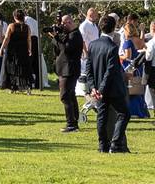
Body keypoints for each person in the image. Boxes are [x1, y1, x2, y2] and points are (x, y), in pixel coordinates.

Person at [87, 15, 130, 153]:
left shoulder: (93, 45)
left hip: (98, 87)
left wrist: (93, 87)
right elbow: (110, 71)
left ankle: (102, 145)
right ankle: (116, 143)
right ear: (113, 28)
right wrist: (100, 89)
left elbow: (89, 68)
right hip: (112, 88)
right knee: (124, 113)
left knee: (102, 116)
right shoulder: (112, 47)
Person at [51, 14, 83, 132]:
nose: (62, 26)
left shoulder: (75, 35)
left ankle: (71, 123)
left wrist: (57, 38)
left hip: (69, 70)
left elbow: (66, 49)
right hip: (65, 69)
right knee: (70, 95)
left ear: (69, 22)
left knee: (65, 96)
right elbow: (58, 49)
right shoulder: (69, 35)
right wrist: (56, 37)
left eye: (64, 24)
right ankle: (74, 121)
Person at [119, 21, 149, 119]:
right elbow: (144, 47)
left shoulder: (128, 42)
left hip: (129, 67)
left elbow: (128, 56)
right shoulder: (138, 40)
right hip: (138, 67)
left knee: (130, 90)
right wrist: (142, 31)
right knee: (138, 89)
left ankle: (134, 111)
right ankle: (142, 111)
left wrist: (119, 56)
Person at [0, 9, 32, 94]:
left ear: (14, 17)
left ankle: (12, 87)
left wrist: (1, 49)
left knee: (11, 68)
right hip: (23, 50)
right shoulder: (27, 27)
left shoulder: (11, 26)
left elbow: (7, 38)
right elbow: (29, 40)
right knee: (24, 69)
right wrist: (30, 49)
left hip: (12, 51)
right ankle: (27, 87)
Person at [24, 11, 41, 89]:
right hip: (37, 40)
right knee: (36, 64)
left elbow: (29, 33)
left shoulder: (27, 20)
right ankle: (38, 83)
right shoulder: (35, 21)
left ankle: (29, 83)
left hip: (31, 40)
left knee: (29, 62)